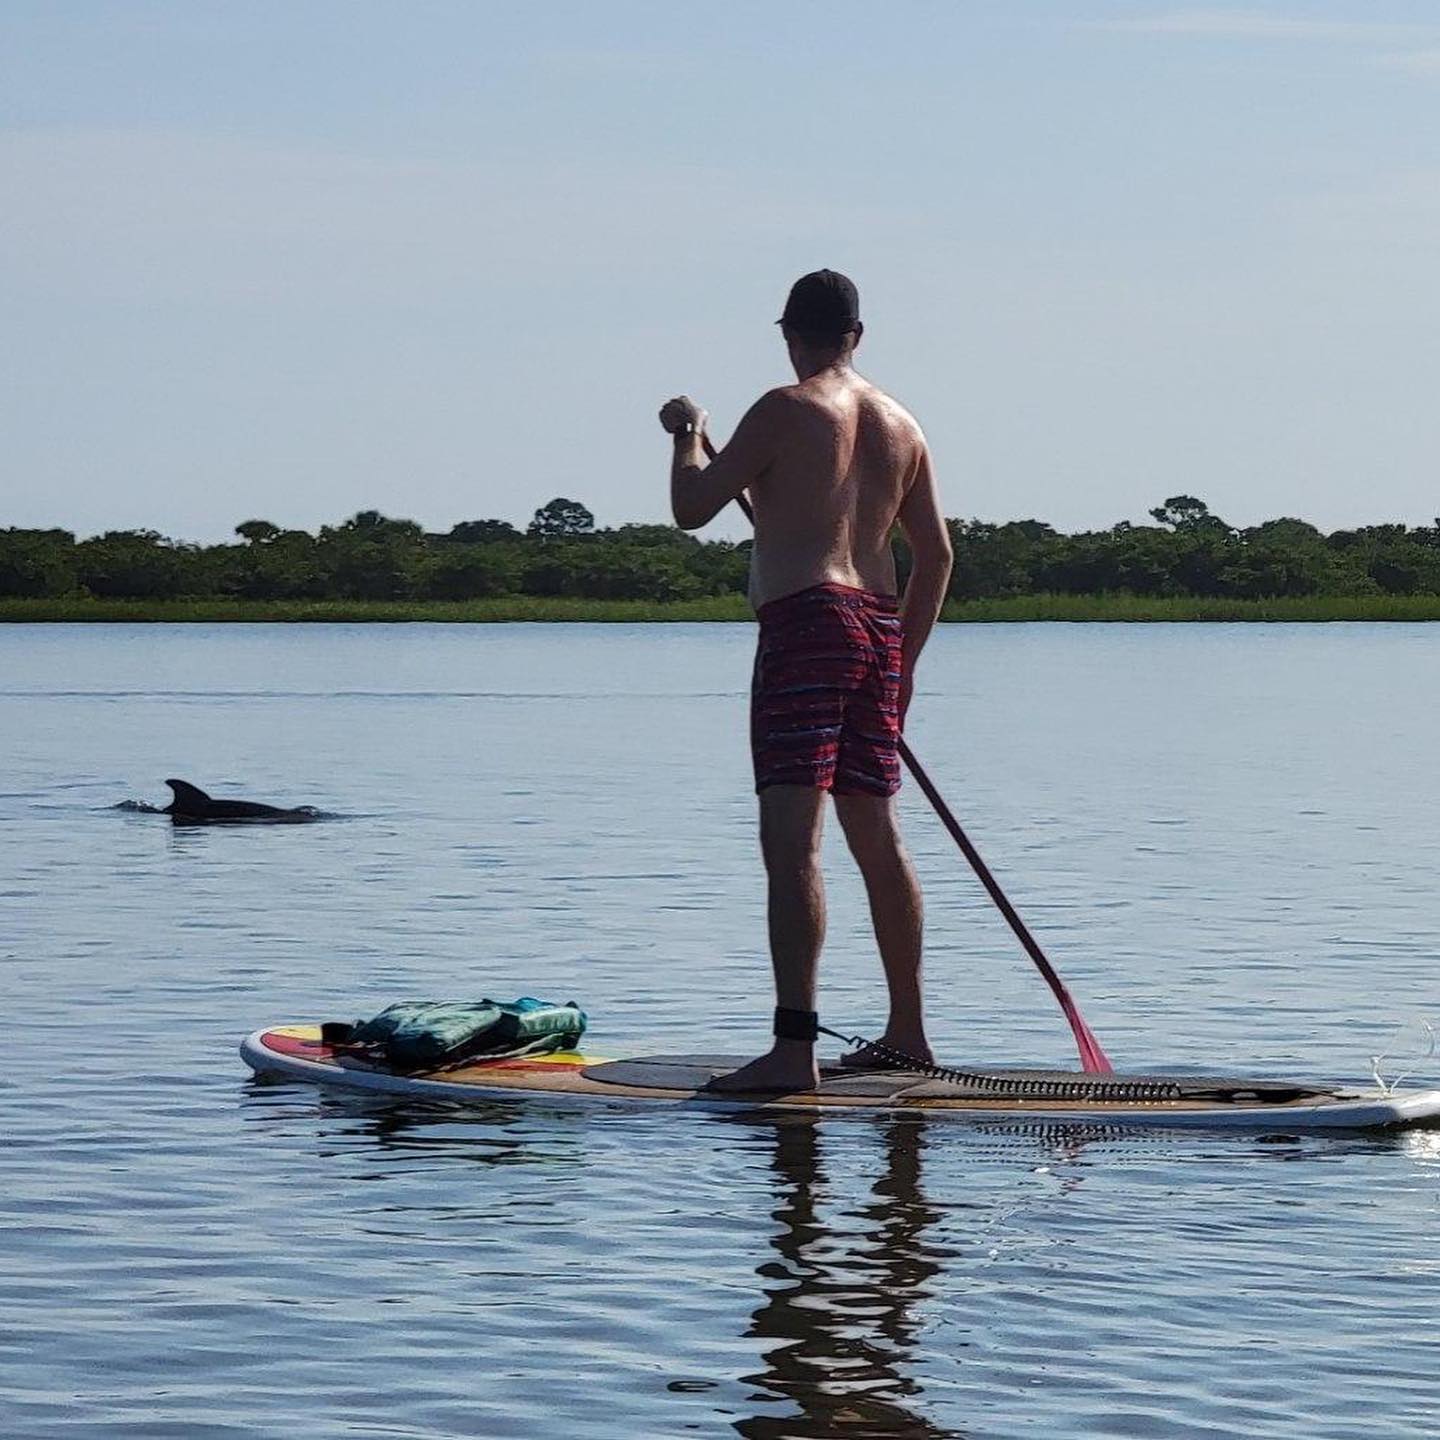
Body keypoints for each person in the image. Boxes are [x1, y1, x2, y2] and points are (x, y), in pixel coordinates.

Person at [658, 270, 953, 1092]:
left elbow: (691, 507)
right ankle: (908, 1033)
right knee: (877, 835)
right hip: (876, 629)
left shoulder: (784, 409)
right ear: (859, 335)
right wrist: (907, 665)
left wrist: (688, 431)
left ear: (790, 333)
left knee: (793, 844)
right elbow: (936, 557)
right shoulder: (903, 425)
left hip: (806, 624)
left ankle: (795, 1051)